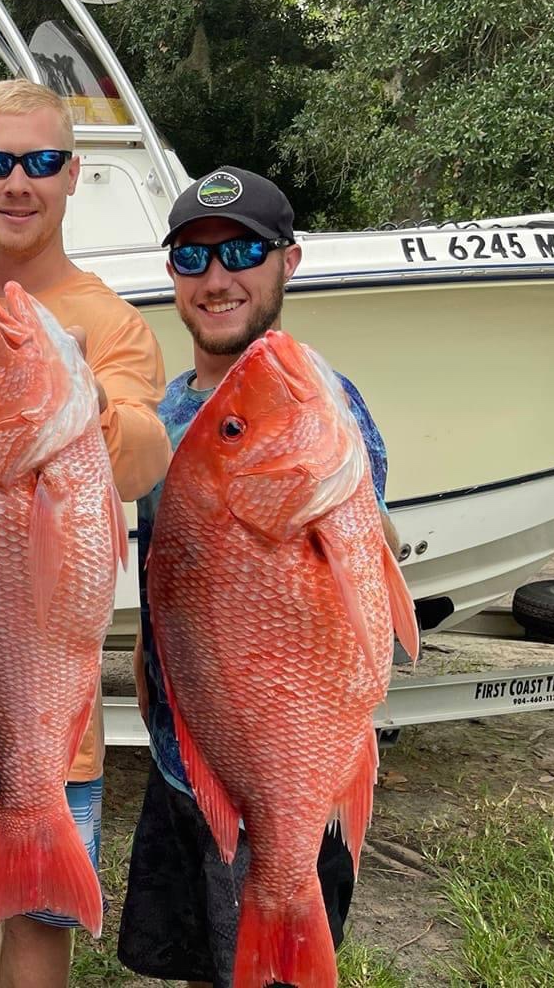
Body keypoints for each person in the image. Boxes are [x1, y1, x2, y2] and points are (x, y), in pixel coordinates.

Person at [0, 79, 172, 988]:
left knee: (35, 916)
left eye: (38, 162)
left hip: (44, 705)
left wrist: (89, 403)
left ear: (72, 176)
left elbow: (142, 457)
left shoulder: (111, 325)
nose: (15, 182)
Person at [117, 165, 397, 987]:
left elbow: (368, 563)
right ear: (171, 274)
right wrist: (141, 644)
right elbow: (166, 566)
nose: (217, 277)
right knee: (206, 964)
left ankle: (290, 884)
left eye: (241, 250)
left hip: (291, 756)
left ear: (289, 261)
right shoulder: (161, 414)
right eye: (192, 258)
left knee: (277, 954)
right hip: (182, 758)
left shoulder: (327, 406)